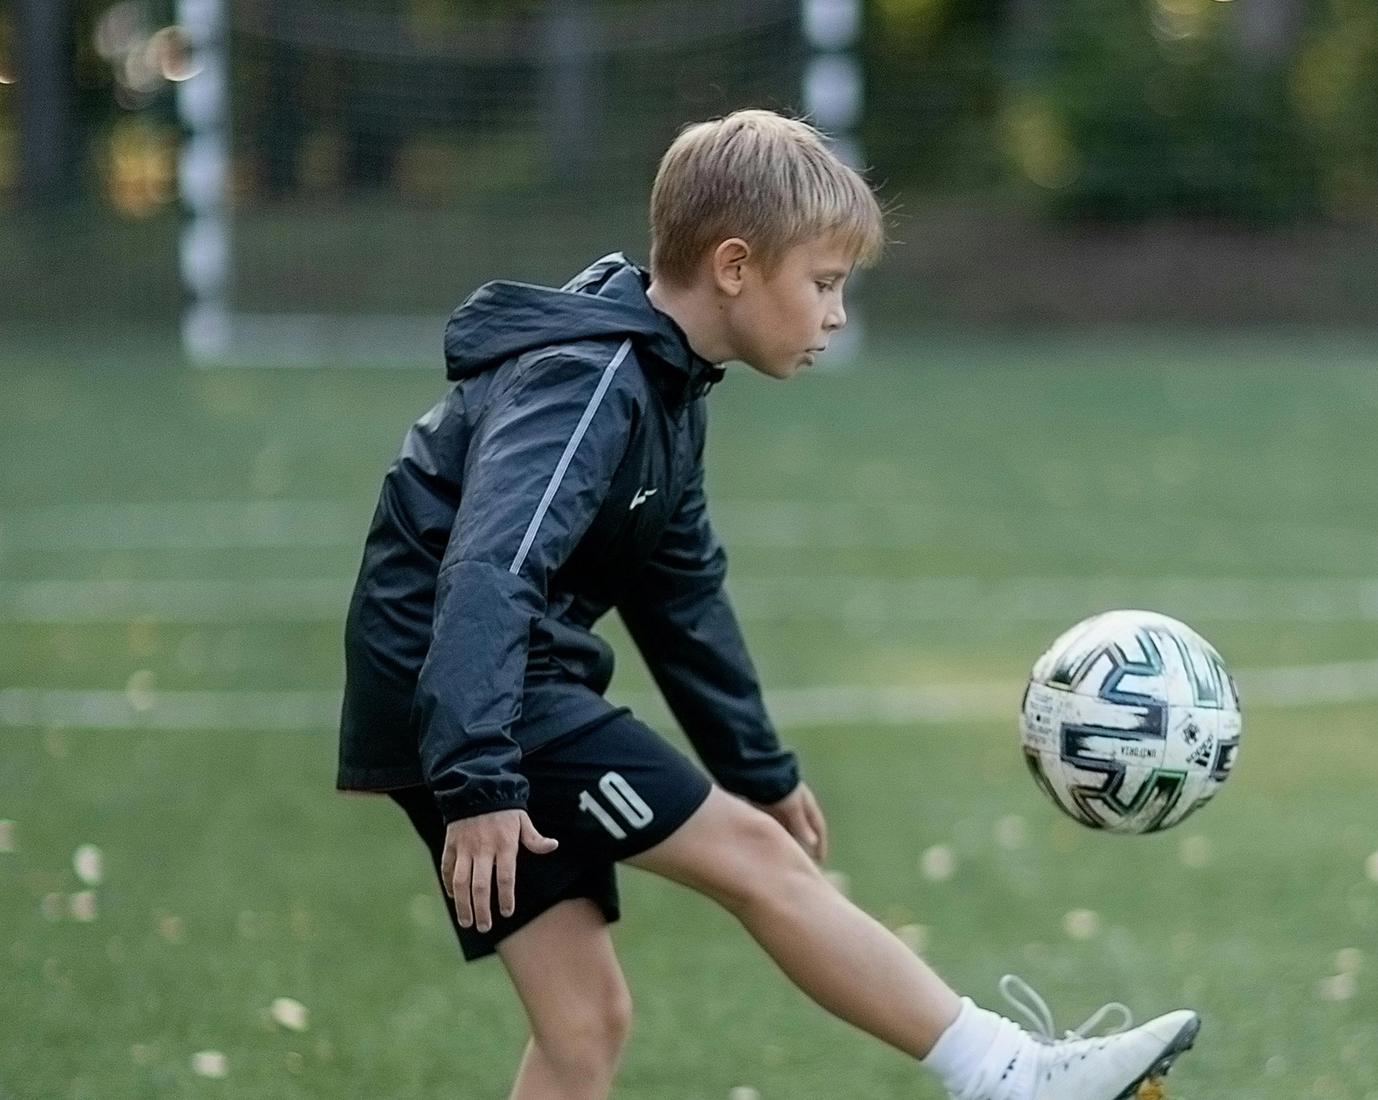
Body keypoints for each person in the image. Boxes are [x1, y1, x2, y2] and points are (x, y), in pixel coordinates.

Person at [336, 108, 1200, 1100]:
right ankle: (1011, 1072)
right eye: (824, 283)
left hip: (469, 688)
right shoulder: (592, 380)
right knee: (751, 858)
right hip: (472, 686)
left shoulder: (664, 384)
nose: (836, 313)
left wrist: (760, 767)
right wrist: (480, 777)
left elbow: (681, 594)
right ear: (737, 266)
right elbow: (492, 567)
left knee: (584, 1023)